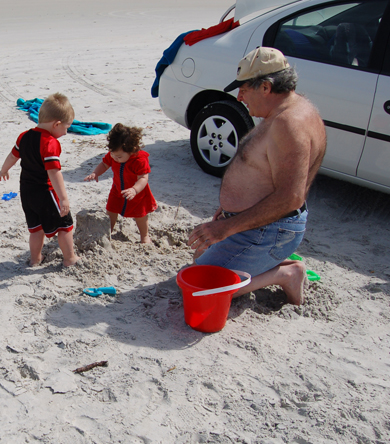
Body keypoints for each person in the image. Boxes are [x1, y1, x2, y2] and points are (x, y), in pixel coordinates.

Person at [187, 47, 326, 305]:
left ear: (265, 87)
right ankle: (275, 264)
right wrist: (229, 209)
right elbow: (265, 172)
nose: (239, 97)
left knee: (198, 287)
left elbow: (290, 198)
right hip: (260, 223)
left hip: (271, 229)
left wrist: (225, 228)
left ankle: (286, 273)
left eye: (244, 88)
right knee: (199, 263)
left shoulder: (289, 124)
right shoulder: (288, 109)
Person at [0, 93, 80, 267]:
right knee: (64, 226)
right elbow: (54, 173)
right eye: (66, 128)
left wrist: (4, 169)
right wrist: (63, 198)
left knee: (36, 229)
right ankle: (70, 258)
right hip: (45, 191)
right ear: (56, 124)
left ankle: (35, 259)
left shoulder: (24, 136)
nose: (66, 132)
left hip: (26, 192)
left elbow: (13, 155)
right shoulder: (50, 143)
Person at [84, 123, 157, 243]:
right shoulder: (113, 155)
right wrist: (95, 173)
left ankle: (144, 236)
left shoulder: (139, 160)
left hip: (136, 193)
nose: (114, 158)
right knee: (111, 210)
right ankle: (108, 232)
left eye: (118, 156)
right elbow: (104, 164)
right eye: (112, 154)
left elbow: (143, 178)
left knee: (140, 215)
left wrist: (134, 189)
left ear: (131, 150)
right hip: (117, 189)